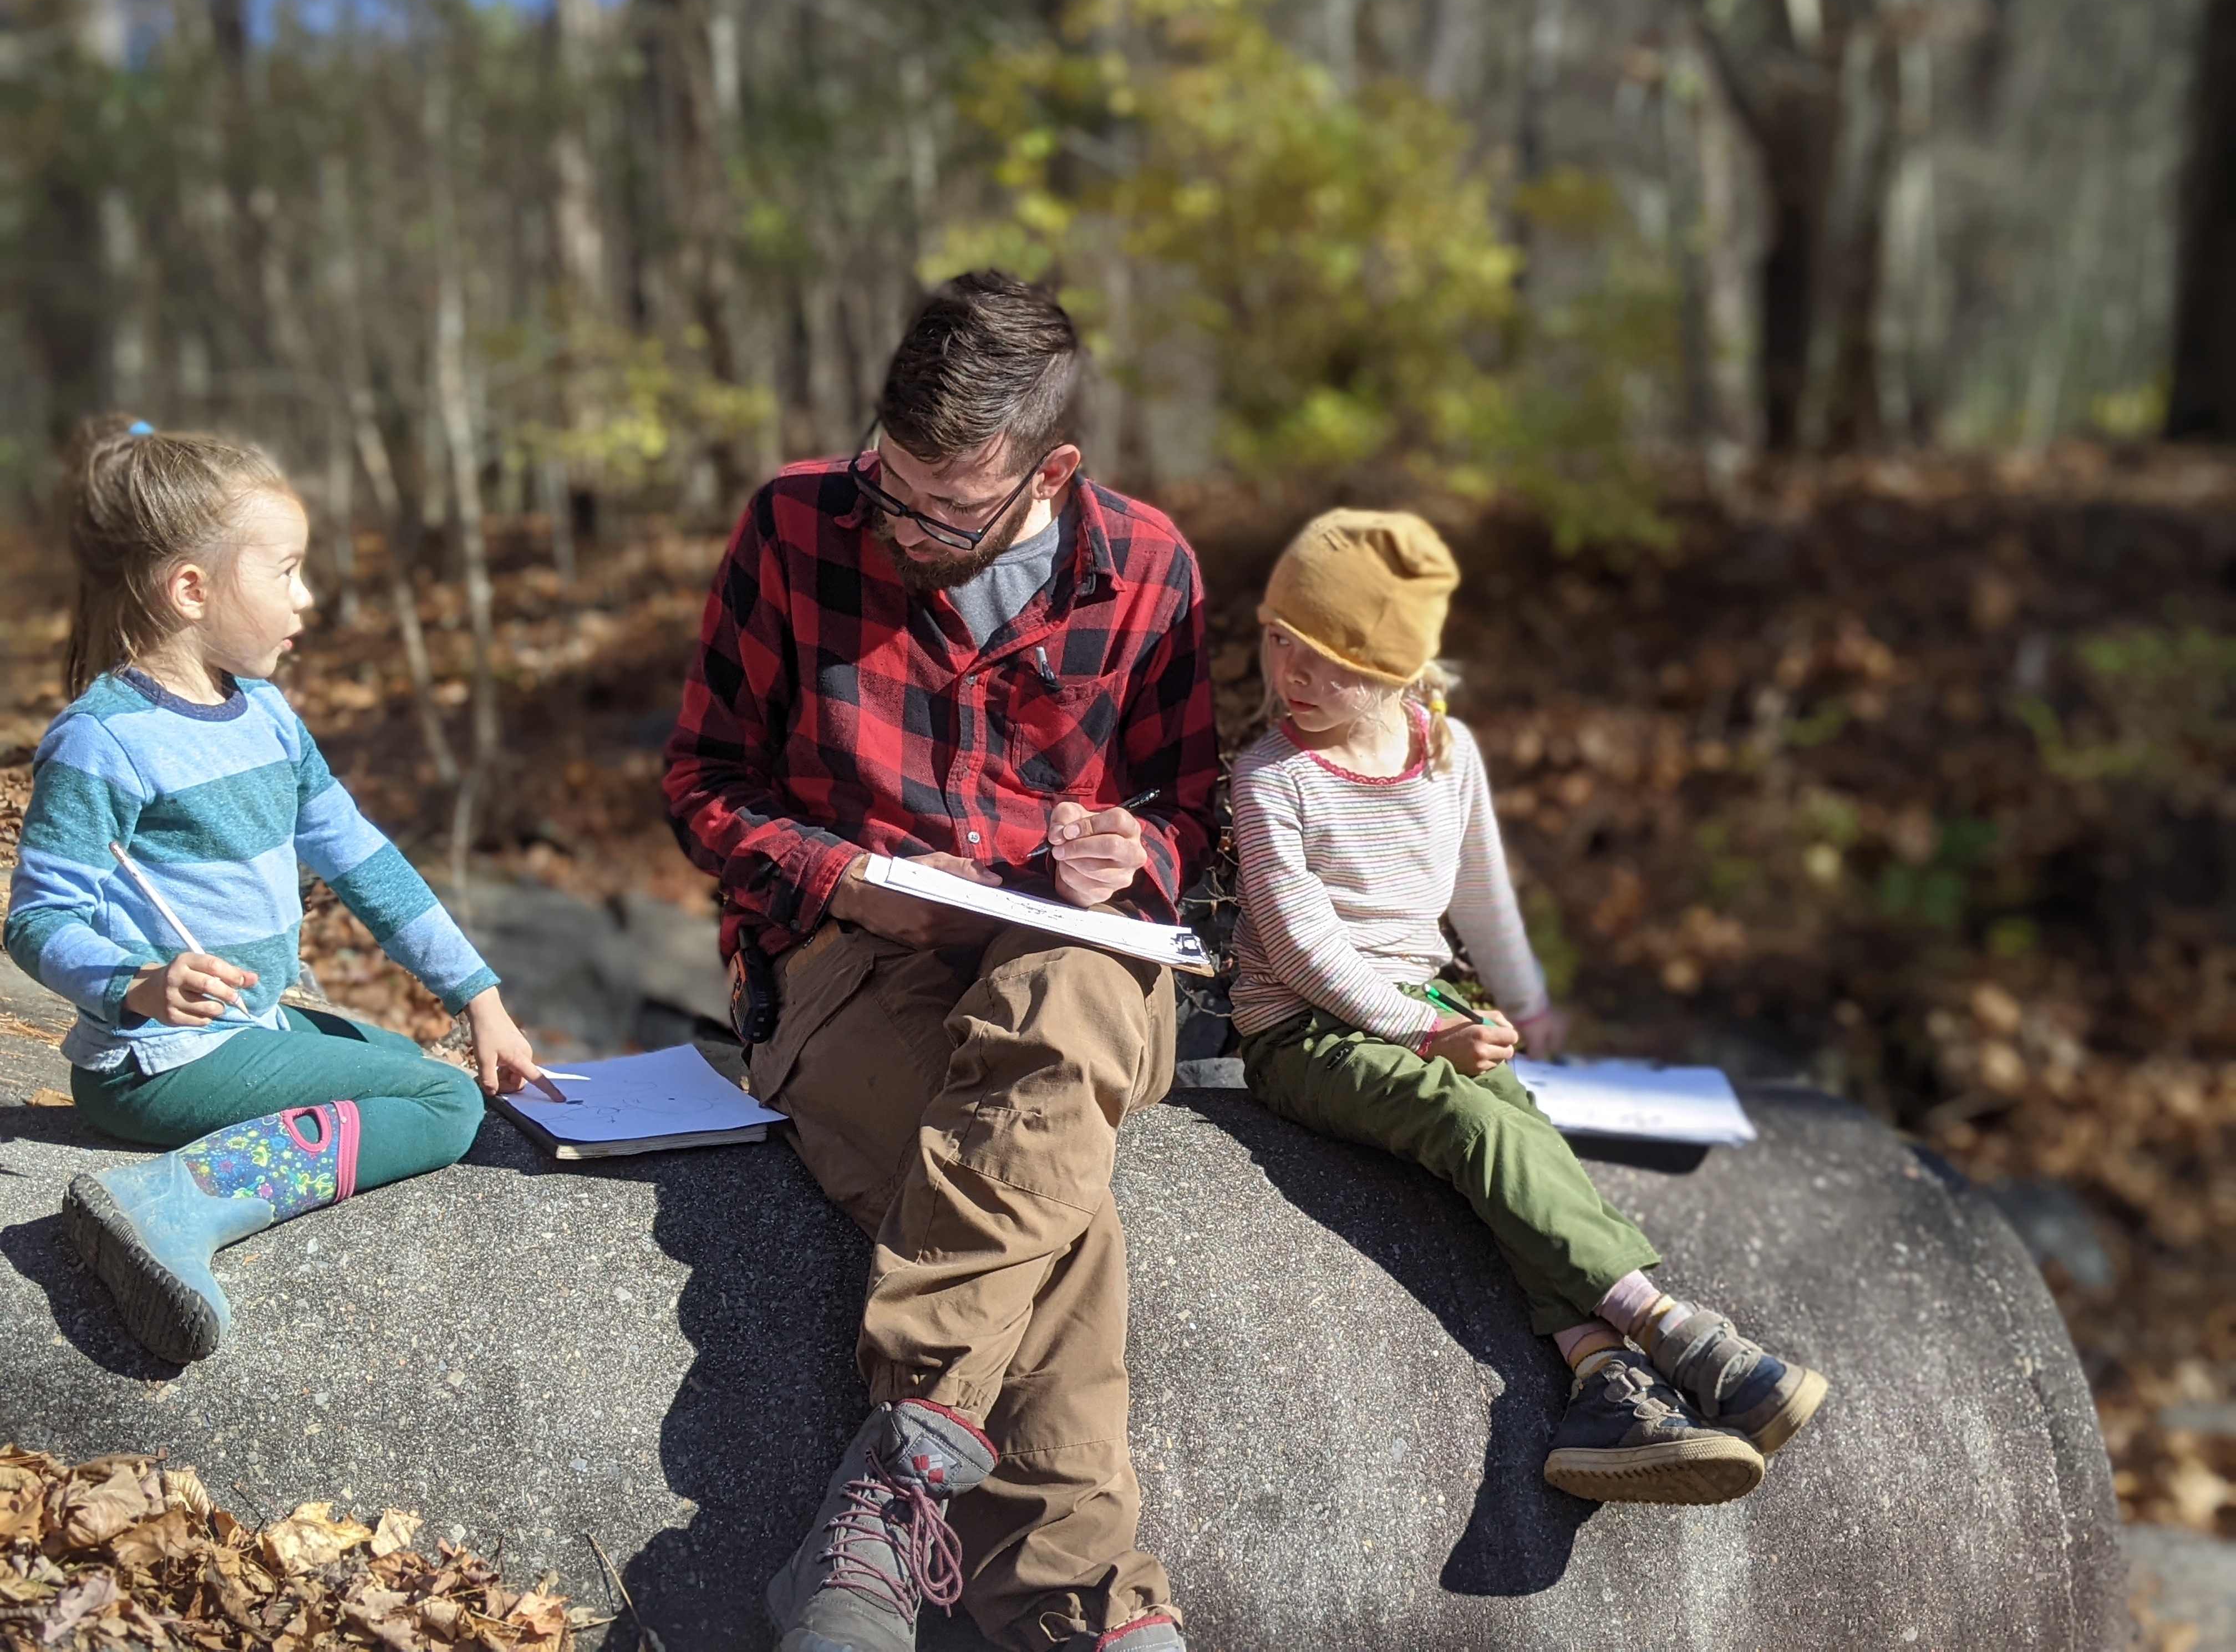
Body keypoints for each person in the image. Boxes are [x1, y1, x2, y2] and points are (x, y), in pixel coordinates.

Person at [664, 271, 1217, 1652]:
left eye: (948, 510)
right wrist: (845, 879)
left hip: (1082, 978)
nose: (905, 529)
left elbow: (1193, 815)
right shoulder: (795, 527)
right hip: (850, 971)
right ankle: (1093, 1617)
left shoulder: (1153, 569)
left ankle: (900, 1480)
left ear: (1055, 467)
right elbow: (703, 781)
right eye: (890, 487)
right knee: (1050, 1210)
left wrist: (1132, 856)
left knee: (1068, 990)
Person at [1228, 509, 1828, 1506]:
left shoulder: (1446, 753)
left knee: (1523, 1131)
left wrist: (1527, 1002)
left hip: (1428, 1006)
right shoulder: (1269, 779)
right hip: (1302, 1030)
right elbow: (1302, 949)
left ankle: (1601, 1382)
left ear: (1399, 672)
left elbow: (1479, 890)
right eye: (1278, 640)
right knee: (1470, 1121)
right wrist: (1431, 1031)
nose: (1293, 674)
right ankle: (1674, 1331)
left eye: (1329, 661)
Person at [5, 415, 556, 1366]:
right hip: (157, 1062)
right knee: (444, 1108)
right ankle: (174, 1204)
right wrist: (137, 983)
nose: (308, 598)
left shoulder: (264, 714)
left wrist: (479, 998)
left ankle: (199, 1178)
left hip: (249, 1029)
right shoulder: (105, 740)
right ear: (192, 589)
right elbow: (36, 916)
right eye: (287, 571)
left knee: (408, 1061)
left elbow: (364, 861)